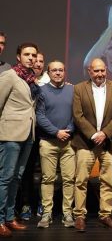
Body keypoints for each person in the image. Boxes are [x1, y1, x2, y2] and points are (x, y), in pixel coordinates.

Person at [72, 58, 112, 232]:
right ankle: (79, 216)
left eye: (102, 70)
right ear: (89, 71)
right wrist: (94, 134)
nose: (100, 74)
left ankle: (105, 215)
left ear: (106, 70)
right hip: (86, 142)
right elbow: (78, 116)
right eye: (96, 71)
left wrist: (105, 134)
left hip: (108, 142)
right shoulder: (79, 88)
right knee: (81, 180)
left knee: (107, 181)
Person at [0, 42, 39, 237]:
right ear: (18, 57)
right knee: (5, 178)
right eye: (27, 54)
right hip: (10, 134)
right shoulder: (10, 76)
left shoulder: (31, 80)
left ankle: (9, 217)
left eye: (33, 55)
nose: (31, 58)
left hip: (27, 134)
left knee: (16, 178)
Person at [35, 60, 76, 228]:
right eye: (54, 70)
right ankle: (47, 214)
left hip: (68, 142)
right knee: (47, 179)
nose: (58, 73)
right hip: (48, 142)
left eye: (61, 70)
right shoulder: (41, 90)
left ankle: (67, 213)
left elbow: (77, 114)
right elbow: (40, 115)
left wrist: (69, 130)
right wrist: (56, 132)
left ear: (64, 72)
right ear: (49, 72)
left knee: (68, 179)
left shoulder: (73, 90)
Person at [19, 51, 50, 221]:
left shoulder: (50, 80)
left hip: (44, 132)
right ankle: (26, 203)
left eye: (41, 61)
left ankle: (42, 202)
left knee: (45, 171)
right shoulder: (23, 80)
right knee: (27, 170)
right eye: (35, 60)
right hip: (26, 131)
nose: (38, 63)